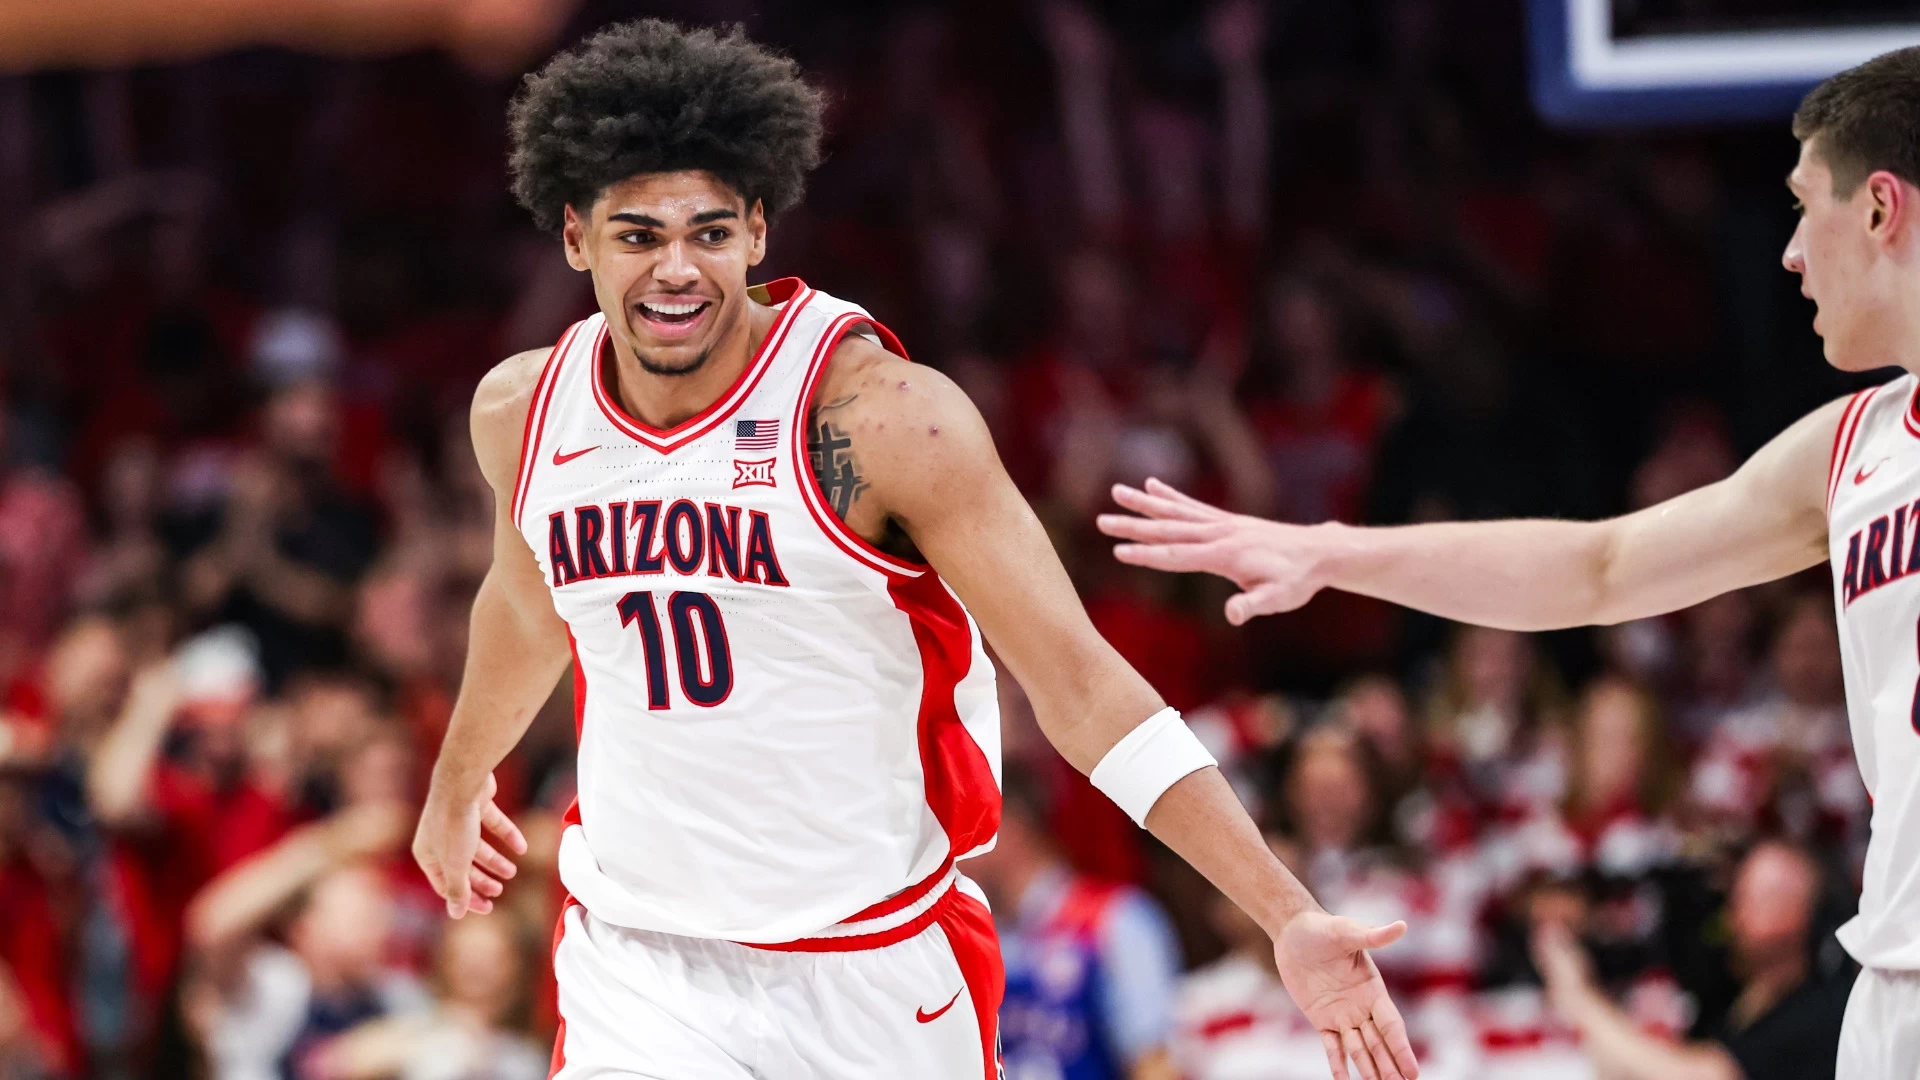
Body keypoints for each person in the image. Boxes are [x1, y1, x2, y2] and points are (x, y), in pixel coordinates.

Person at [408, 19, 1419, 1080]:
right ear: (575, 237)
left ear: (758, 231)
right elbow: (525, 607)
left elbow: (1080, 685)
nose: (676, 270)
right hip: (641, 966)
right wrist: (459, 779)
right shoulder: (524, 412)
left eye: (709, 233)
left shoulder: (885, 420)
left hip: (871, 968)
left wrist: (1284, 911)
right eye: (637, 236)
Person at [1097, 44, 1920, 1078]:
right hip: (1893, 987)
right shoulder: (1851, 446)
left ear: (1880, 208)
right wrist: (1332, 550)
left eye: (1806, 206)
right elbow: (1598, 568)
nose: (1791, 252)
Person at [1530, 840, 1851, 1080]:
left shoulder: (1821, 1010)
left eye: (1750, 900)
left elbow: (1702, 1074)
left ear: (1800, 916)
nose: (1733, 916)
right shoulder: (1736, 987)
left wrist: (1578, 997)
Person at [967, 763, 1183, 1080]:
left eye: (963, 839)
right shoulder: (972, 945)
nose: (950, 860)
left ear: (1005, 828)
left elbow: (1155, 1064)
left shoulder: (1115, 920)